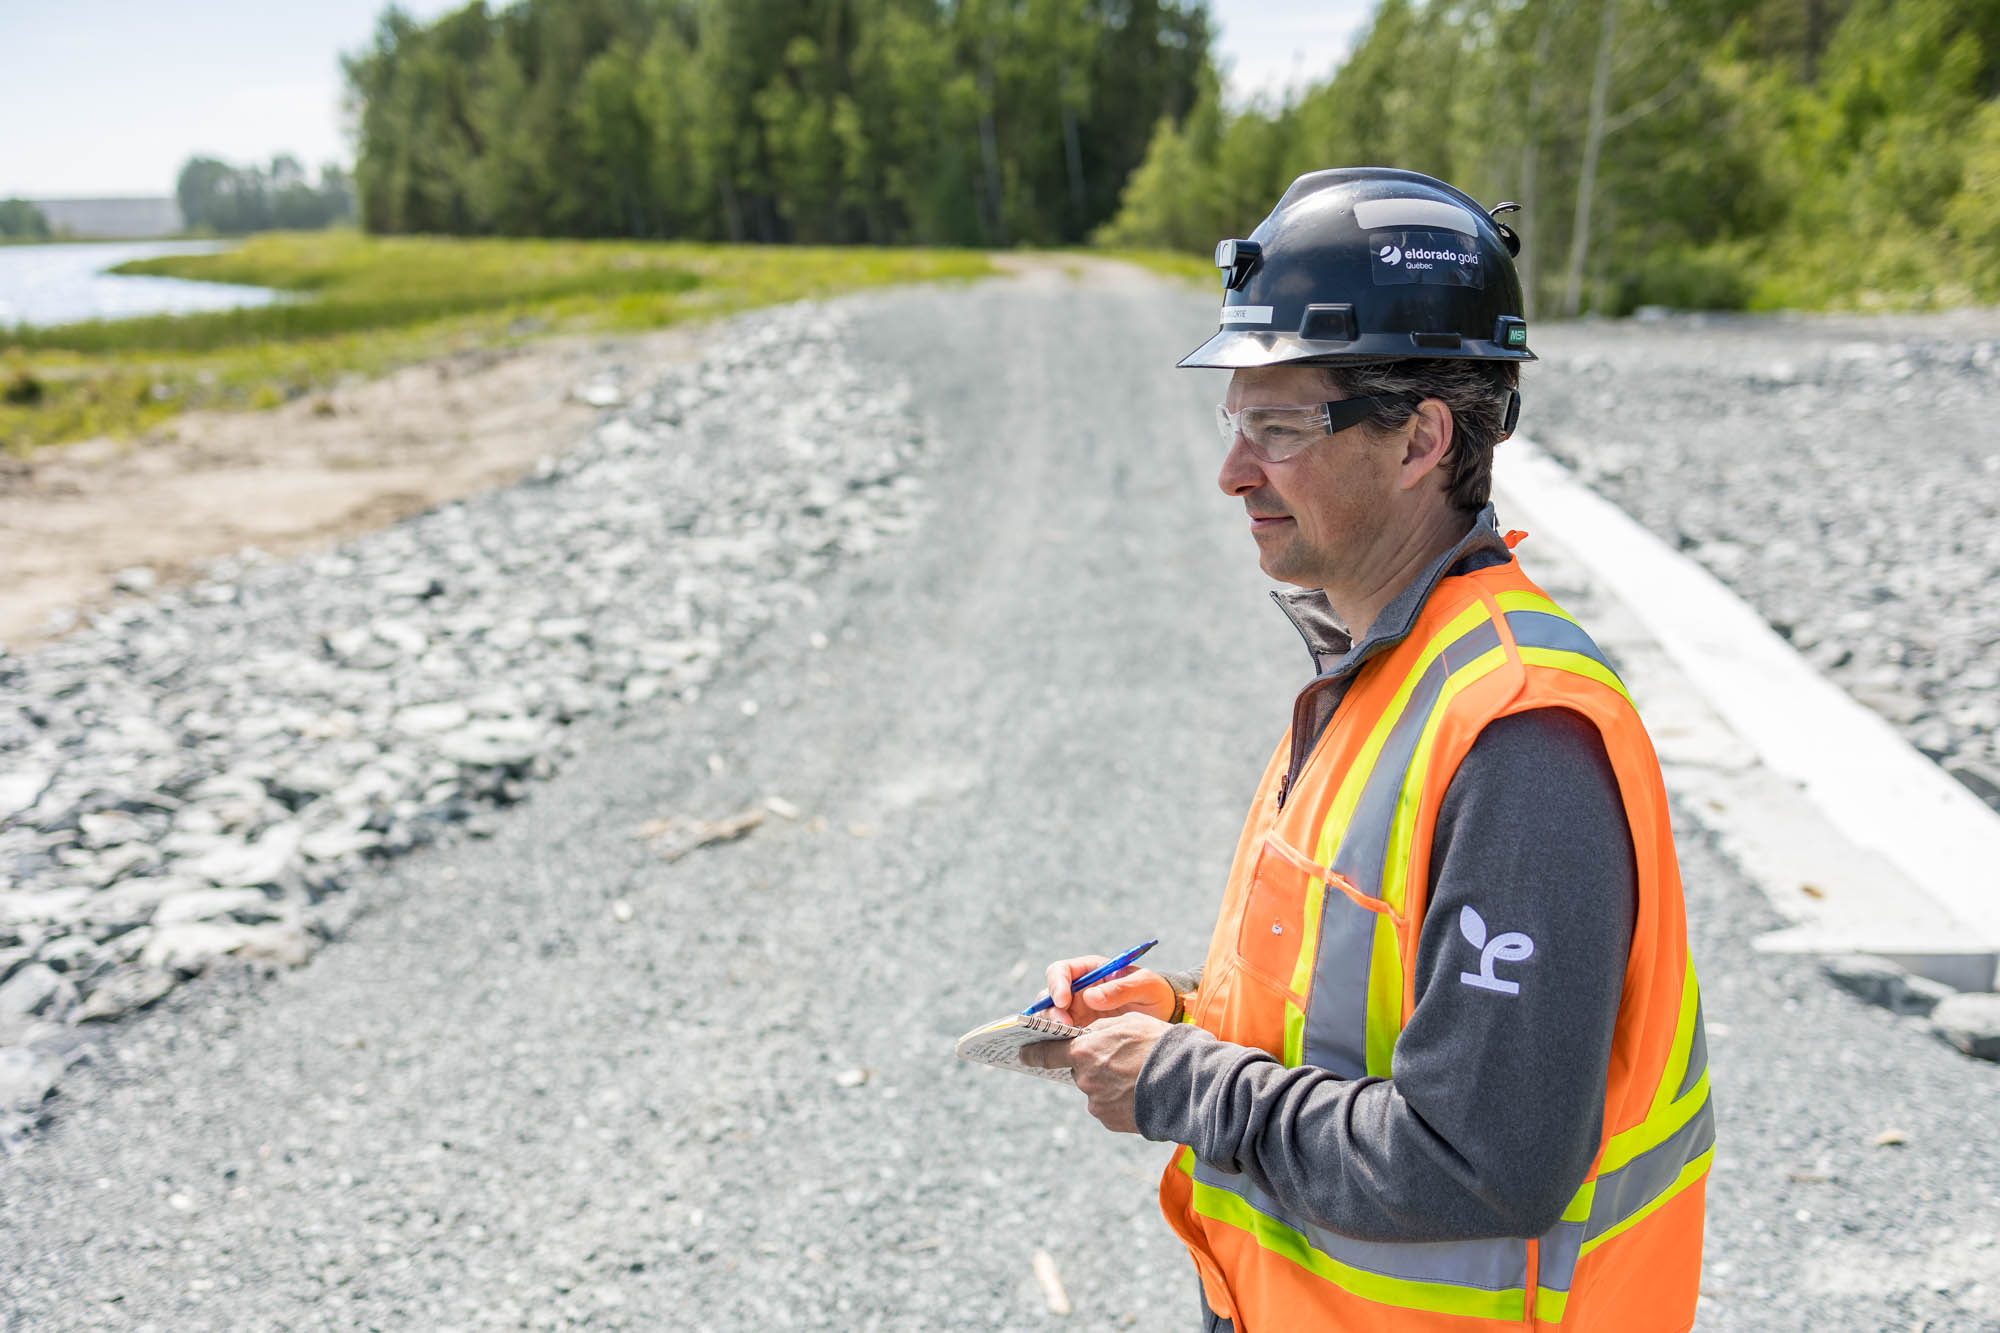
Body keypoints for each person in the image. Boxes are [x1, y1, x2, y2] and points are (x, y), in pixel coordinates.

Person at [1022, 168, 1711, 1331]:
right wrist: (1178, 1018)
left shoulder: (1517, 735)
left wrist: (1180, 1082)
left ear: (1419, 440)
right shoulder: (1378, 669)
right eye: (1235, 424)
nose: (1232, 471)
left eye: (1278, 428)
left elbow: (1481, 1159)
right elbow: (1353, 1033)